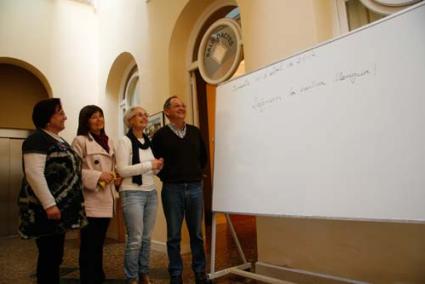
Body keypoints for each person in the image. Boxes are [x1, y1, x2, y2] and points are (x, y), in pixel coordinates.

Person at [17, 98, 87, 284]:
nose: (65, 116)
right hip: (45, 209)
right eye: (60, 112)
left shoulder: (58, 139)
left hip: (61, 208)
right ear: (48, 118)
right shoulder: (37, 139)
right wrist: (49, 205)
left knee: (55, 256)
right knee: (49, 256)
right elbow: (34, 174)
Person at [151, 96, 210, 284]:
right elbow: (155, 162)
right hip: (172, 189)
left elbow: (203, 157)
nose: (182, 107)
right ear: (167, 111)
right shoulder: (160, 135)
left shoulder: (194, 131)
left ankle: (200, 272)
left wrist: (195, 174)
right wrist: (168, 177)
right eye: (177, 105)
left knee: (197, 234)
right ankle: (175, 275)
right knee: (173, 236)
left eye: (183, 105)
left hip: (194, 188)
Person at [72, 105, 121, 284]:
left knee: (99, 244)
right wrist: (99, 175)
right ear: (86, 120)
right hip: (91, 200)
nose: (99, 120)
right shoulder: (80, 140)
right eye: (94, 117)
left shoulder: (109, 141)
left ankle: (98, 276)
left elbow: (113, 167)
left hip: (107, 198)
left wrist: (116, 177)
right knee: (89, 245)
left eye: (101, 116)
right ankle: (88, 278)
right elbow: (74, 171)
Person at [116, 106, 164, 284]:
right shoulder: (124, 141)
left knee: (146, 238)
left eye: (146, 114)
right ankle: (132, 278)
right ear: (130, 120)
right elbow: (121, 170)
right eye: (139, 115)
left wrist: (158, 167)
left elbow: (151, 171)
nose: (144, 117)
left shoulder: (148, 141)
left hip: (151, 192)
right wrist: (149, 165)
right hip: (132, 193)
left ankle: (144, 273)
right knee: (135, 239)